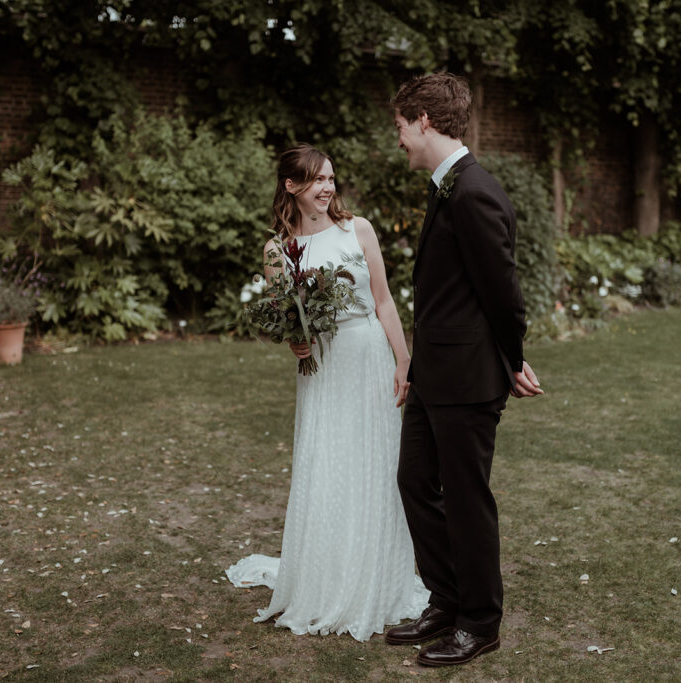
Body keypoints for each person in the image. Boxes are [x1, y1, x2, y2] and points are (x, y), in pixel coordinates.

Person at [225, 143, 429, 642]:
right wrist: (294, 340)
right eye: (317, 179)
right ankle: (327, 575)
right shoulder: (277, 250)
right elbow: (288, 318)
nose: (328, 187)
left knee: (375, 463)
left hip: (368, 356)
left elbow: (383, 300)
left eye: (331, 178)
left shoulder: (358, 229)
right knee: (328, 463)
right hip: (323, 367)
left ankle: (376, 575)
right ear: (292, 186)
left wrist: (404, 359)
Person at [383, 73, 544, 667]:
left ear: (424, 121)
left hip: (468, 380)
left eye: (401, 126)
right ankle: (446, 599)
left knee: (466, 499)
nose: (399, 138)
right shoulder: (446, 186)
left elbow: (504, 294)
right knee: (414, 481)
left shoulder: (474, 191)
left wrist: (511, 359)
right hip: (434, 373)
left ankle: (479, 622)